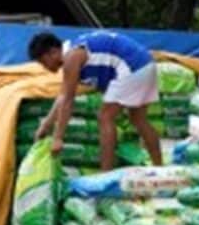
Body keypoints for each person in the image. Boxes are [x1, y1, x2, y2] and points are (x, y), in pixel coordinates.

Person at [28, 31, 163, 171]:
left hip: (132, 66)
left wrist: (58, 138)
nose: (45, 67)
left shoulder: (72, 56)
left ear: (53, 52)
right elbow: (62, 97)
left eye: (43, 62)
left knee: (105, 117)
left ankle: (105, 176)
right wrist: (45, 126)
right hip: (146, 63)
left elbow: (67, 99)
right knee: (138, 120)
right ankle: (159, 168)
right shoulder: (76, 50)